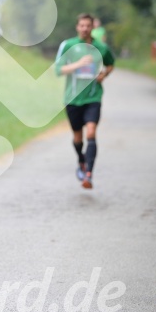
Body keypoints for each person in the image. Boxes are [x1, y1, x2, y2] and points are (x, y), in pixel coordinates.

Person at [55, 13, 115, 189]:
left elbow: (110, 63)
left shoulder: (101, 47)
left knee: (91, 132)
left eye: (88, 26)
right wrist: (78, 64)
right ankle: (81, 161)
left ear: (92, 28)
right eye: (81, 25)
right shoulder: (68, 45)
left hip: (93, 97)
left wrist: (104, 74)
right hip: (72, 98)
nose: (85, 29)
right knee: (77, 137)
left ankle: (89, 173)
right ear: (77, 27)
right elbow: (58, 70)